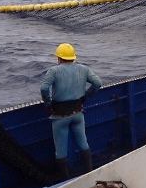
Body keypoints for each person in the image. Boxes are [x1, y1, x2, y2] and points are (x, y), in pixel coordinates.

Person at [40, 43, 102, 180]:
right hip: (77, 113)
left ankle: (66, 180)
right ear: (73, 57)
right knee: (83, 143)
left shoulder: (53, 71)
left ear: (59, 58)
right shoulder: (84, 69)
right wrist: (85, 97)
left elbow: (44, 89)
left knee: (61, 150)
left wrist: (48, 104)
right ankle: (90, 173)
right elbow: (97, 83)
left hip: (60, 116)